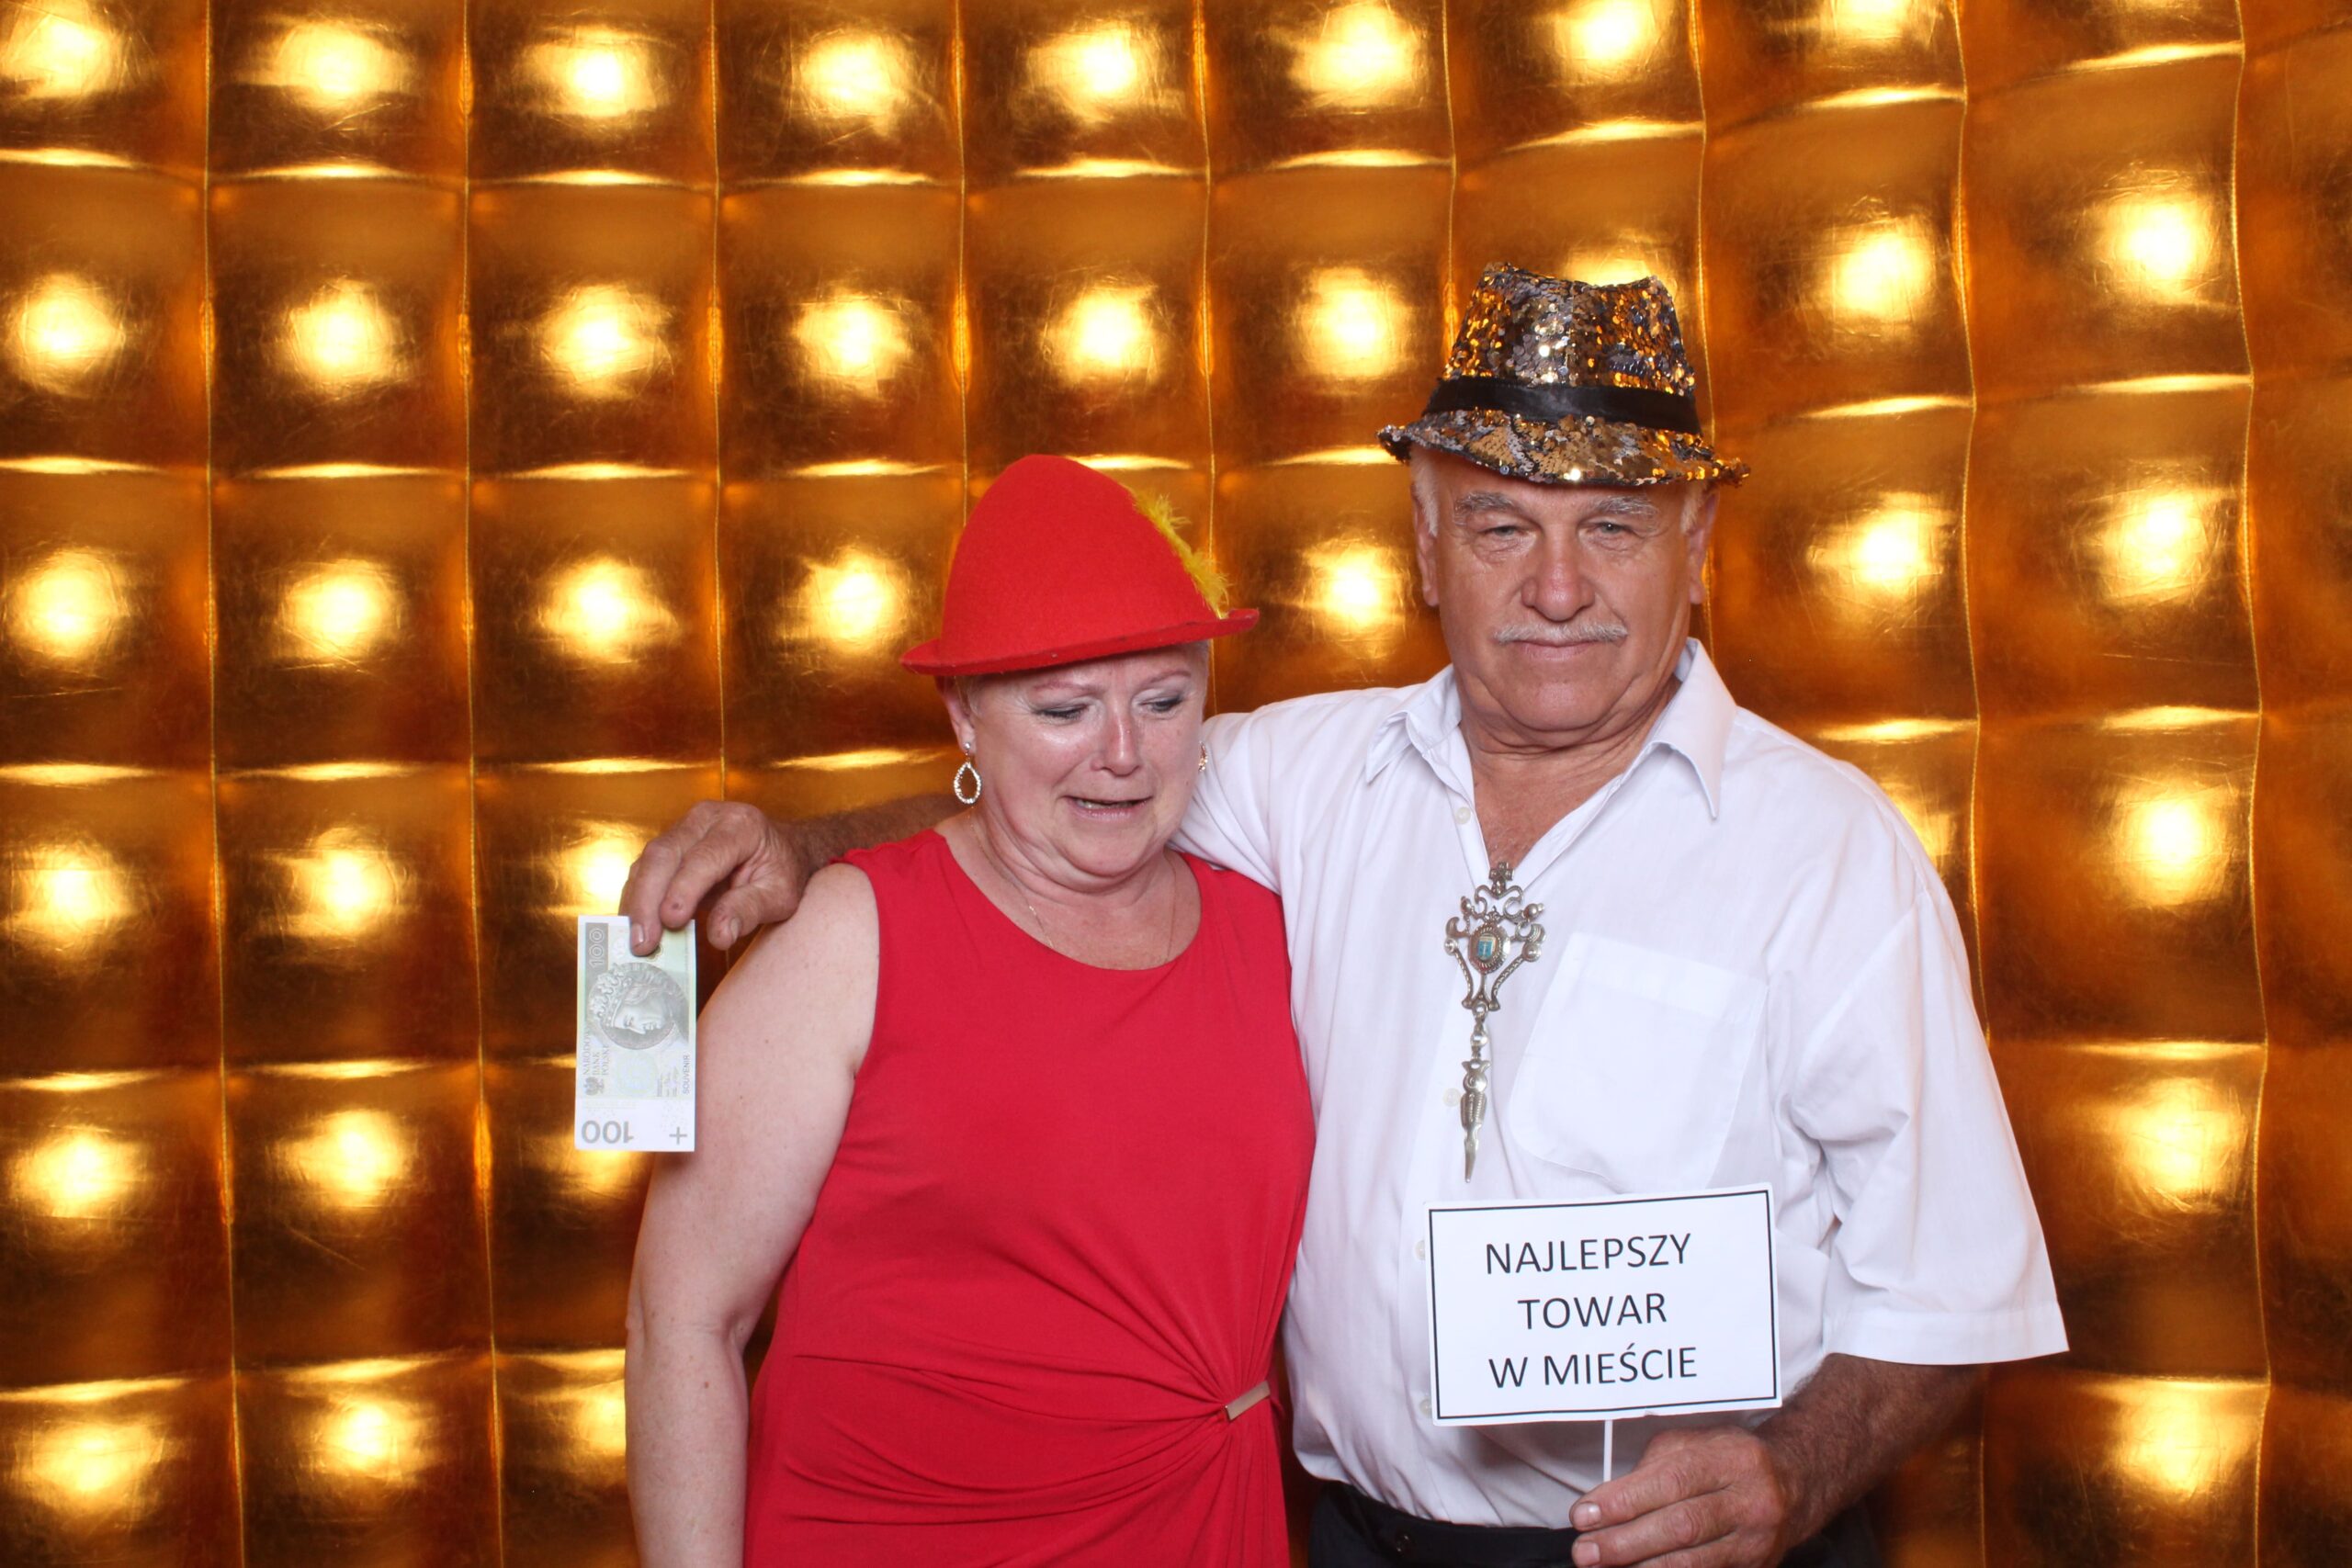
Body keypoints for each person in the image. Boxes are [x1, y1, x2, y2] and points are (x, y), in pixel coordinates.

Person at [624, 267, 2067, 1568]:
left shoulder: (1828, 849)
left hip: (1680, 1551)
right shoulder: (1310, 773)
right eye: (1501, 525)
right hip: (1346, 1537)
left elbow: (1955, 1282)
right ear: (1427, 547)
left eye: (1612, 527)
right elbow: (1055, 793)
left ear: (1696, 548)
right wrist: (801, 845)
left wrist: (1790, 1474)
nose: (1557, 586)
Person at [624, 455, 1314, 1565]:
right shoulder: (851, 938)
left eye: (1162, 699)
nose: (1122, 753)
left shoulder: (1273, 926)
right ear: (963, 716)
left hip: (1199, 1527)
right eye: (1064, 708)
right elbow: (684, 1319)